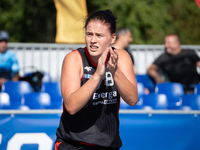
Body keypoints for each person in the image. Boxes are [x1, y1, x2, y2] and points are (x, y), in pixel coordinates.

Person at [54, 9, 138, 150]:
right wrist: (97, 75)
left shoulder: (121, 58)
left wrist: (115, 71)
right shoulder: (74, 59)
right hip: (73, 144)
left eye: (99, 35)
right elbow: (71, 106)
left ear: (112, 38)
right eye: (89, 34)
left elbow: (133, 99)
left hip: (107, 143)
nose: (93, 40)